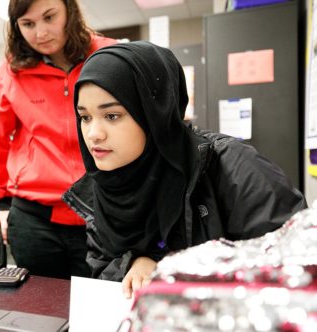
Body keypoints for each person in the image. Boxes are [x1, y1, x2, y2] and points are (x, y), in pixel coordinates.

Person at [62, 41, 306, 296]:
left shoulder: (232, 167)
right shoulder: (102, 187)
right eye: (85, 117)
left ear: (153, 113)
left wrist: (172, 269)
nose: (94, 134)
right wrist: (131, 264)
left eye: (112, 116)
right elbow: (101, 273)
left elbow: (296, 267)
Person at [0, 0, 116, 278]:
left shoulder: (109, 56)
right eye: (28, 24)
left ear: (69, 10)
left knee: (97, 308)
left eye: (49, 17)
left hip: (103, 209)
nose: (40, 32)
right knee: (40, 309)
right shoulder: (11, 72)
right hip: (34, 217)